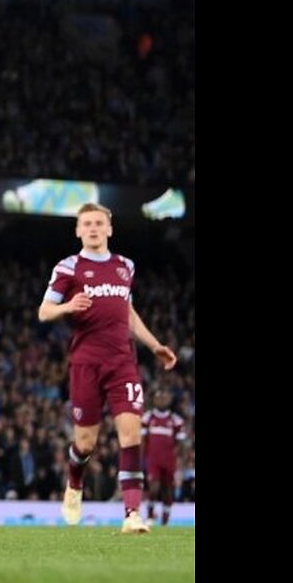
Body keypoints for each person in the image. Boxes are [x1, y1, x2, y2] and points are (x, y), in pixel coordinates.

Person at [38, 202, 177, 534]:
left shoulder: (125, 266)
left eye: (99, 223)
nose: (93, 228)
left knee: (130, 436)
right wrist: (68, 306)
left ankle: (132, 514)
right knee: (85, 444)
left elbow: (127, 313)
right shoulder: (68, 267)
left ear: (110, 228)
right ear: (78, 230)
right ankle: (74, 482)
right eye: (86, 223)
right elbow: (44, 311)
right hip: (85, 364)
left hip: (122, 363)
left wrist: (154, 344)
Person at [141, 389, 187, 526]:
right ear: (154, 400)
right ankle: (149, 517)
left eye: (165, 397)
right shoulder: (147, 418)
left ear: (170, 400)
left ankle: (165, 522)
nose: (162, 399)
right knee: (153, 487)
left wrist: (180, 462)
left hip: (169, 460)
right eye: (159, 397)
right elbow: (143, 441)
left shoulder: (176, 421)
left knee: (167, 490)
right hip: (153, 460)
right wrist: (141, 460)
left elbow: (181, 444)